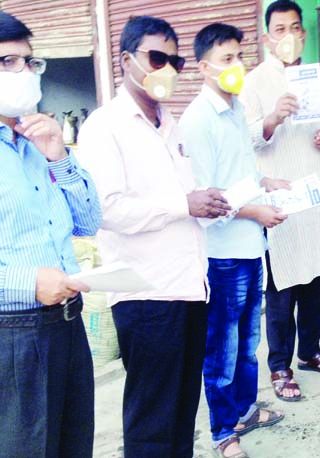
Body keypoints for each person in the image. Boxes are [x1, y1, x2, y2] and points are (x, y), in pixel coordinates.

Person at [77, 16, 230, 458]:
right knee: (152, 415)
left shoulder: (170, 122)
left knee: (182, 408)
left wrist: (210, 202)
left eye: (174, 60)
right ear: (126, 60)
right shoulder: (104, 127)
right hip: (145, 293)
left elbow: (184, 195)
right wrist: (185, 204)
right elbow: (107, 211)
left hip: (188, 286)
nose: (167, 69)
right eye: (157, 58)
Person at [179, 23, 287, 458]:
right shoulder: (198, 120)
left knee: (247, 343)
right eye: (226, 59)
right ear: (204, 67)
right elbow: (208, 198)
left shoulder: (237, 109)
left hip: (250, 245)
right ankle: (224, 432)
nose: (236, 66)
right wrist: (257, 210)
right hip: (222, 255)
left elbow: (241, 176)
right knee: (221, 350)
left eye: (239, 57)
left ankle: (243, 410)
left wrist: (267, 181)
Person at [0, 12, 102, 458]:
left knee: (73, 444)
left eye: (28, 62)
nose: (22, 73)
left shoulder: (35, 141)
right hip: (13, 334)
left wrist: (59, 155)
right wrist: (28, 283)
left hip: (67, 324)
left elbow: (87, 223)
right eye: (7, 62)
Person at [239, 0, 320, 403]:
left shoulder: (316, 76)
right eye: (279, 29)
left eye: (294, 28)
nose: (288, 36)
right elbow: (245, 137)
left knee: (317, 276)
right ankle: (279, 364)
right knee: (282, 284)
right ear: (268, 38)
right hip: (280, 194)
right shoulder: (254, 82)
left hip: (314, 192)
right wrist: (272, 119)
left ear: (304, 33)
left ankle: (311, 351)